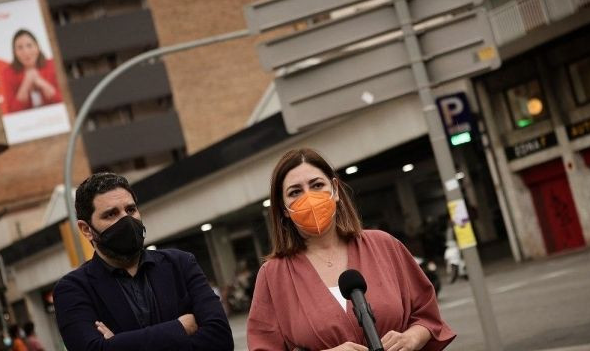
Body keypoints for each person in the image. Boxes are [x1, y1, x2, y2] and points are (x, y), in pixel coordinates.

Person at [247, 148, 456, 351]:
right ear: (284, 209)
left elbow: (427, 315)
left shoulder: (384, 246)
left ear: (335, 190)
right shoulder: (273, 276)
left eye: (317, 185)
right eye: (295, 192)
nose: (309, 198)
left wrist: (412, 338)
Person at [53, 172, 233, 351]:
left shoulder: (181, 264)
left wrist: (119, 344)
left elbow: (220, 339)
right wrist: (180, 328)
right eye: (111, 214)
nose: (126, 219)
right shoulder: (73, 289)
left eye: (130, 210)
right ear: (86, 229)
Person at [1, 29, 62, 113]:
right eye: (20, 48)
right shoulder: (8, 73)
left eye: (29, 45)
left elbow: (63, 100)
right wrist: (26, 83)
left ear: (37, 47)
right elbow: (13, 111)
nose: (26, 52)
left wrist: (41, 83)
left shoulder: (52, 65)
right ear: (15, 52)